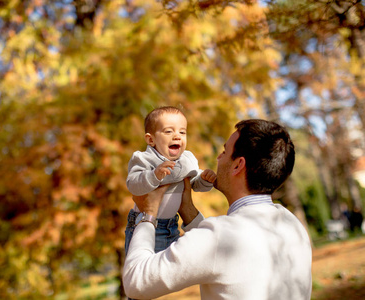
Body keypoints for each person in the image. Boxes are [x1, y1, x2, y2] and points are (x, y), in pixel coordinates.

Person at [123, 119, 312, 300]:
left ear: (238, 165)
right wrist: (187, 209)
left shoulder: (220, 236)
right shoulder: (292, 224)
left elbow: (136, 282)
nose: (218, 158)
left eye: (224, 152)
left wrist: (147, 214)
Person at [125, 106, 216, 254]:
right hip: (143, 222)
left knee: (168, 268)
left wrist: (205, 180)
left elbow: (195, 183)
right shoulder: (144, 159)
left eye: (182, 132)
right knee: (145, 268)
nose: (177, 136)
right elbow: (133, 184)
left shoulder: (186, 160)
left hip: (172, 224)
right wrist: (154, 175)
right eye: (168, 131)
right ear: (151, 139)